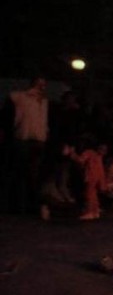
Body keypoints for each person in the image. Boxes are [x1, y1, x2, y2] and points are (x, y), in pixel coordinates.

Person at [9, 76, 49, 213]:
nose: (41, 88)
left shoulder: (43, 102)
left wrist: (44, 134)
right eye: (39, 84)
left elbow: (42, 120)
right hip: (24, 139)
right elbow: (12, 96)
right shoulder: (22, 98)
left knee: (34, 173)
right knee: (22, 172)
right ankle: (20, 204)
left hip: (38, 140)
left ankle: (30, 203)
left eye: (43, 85)